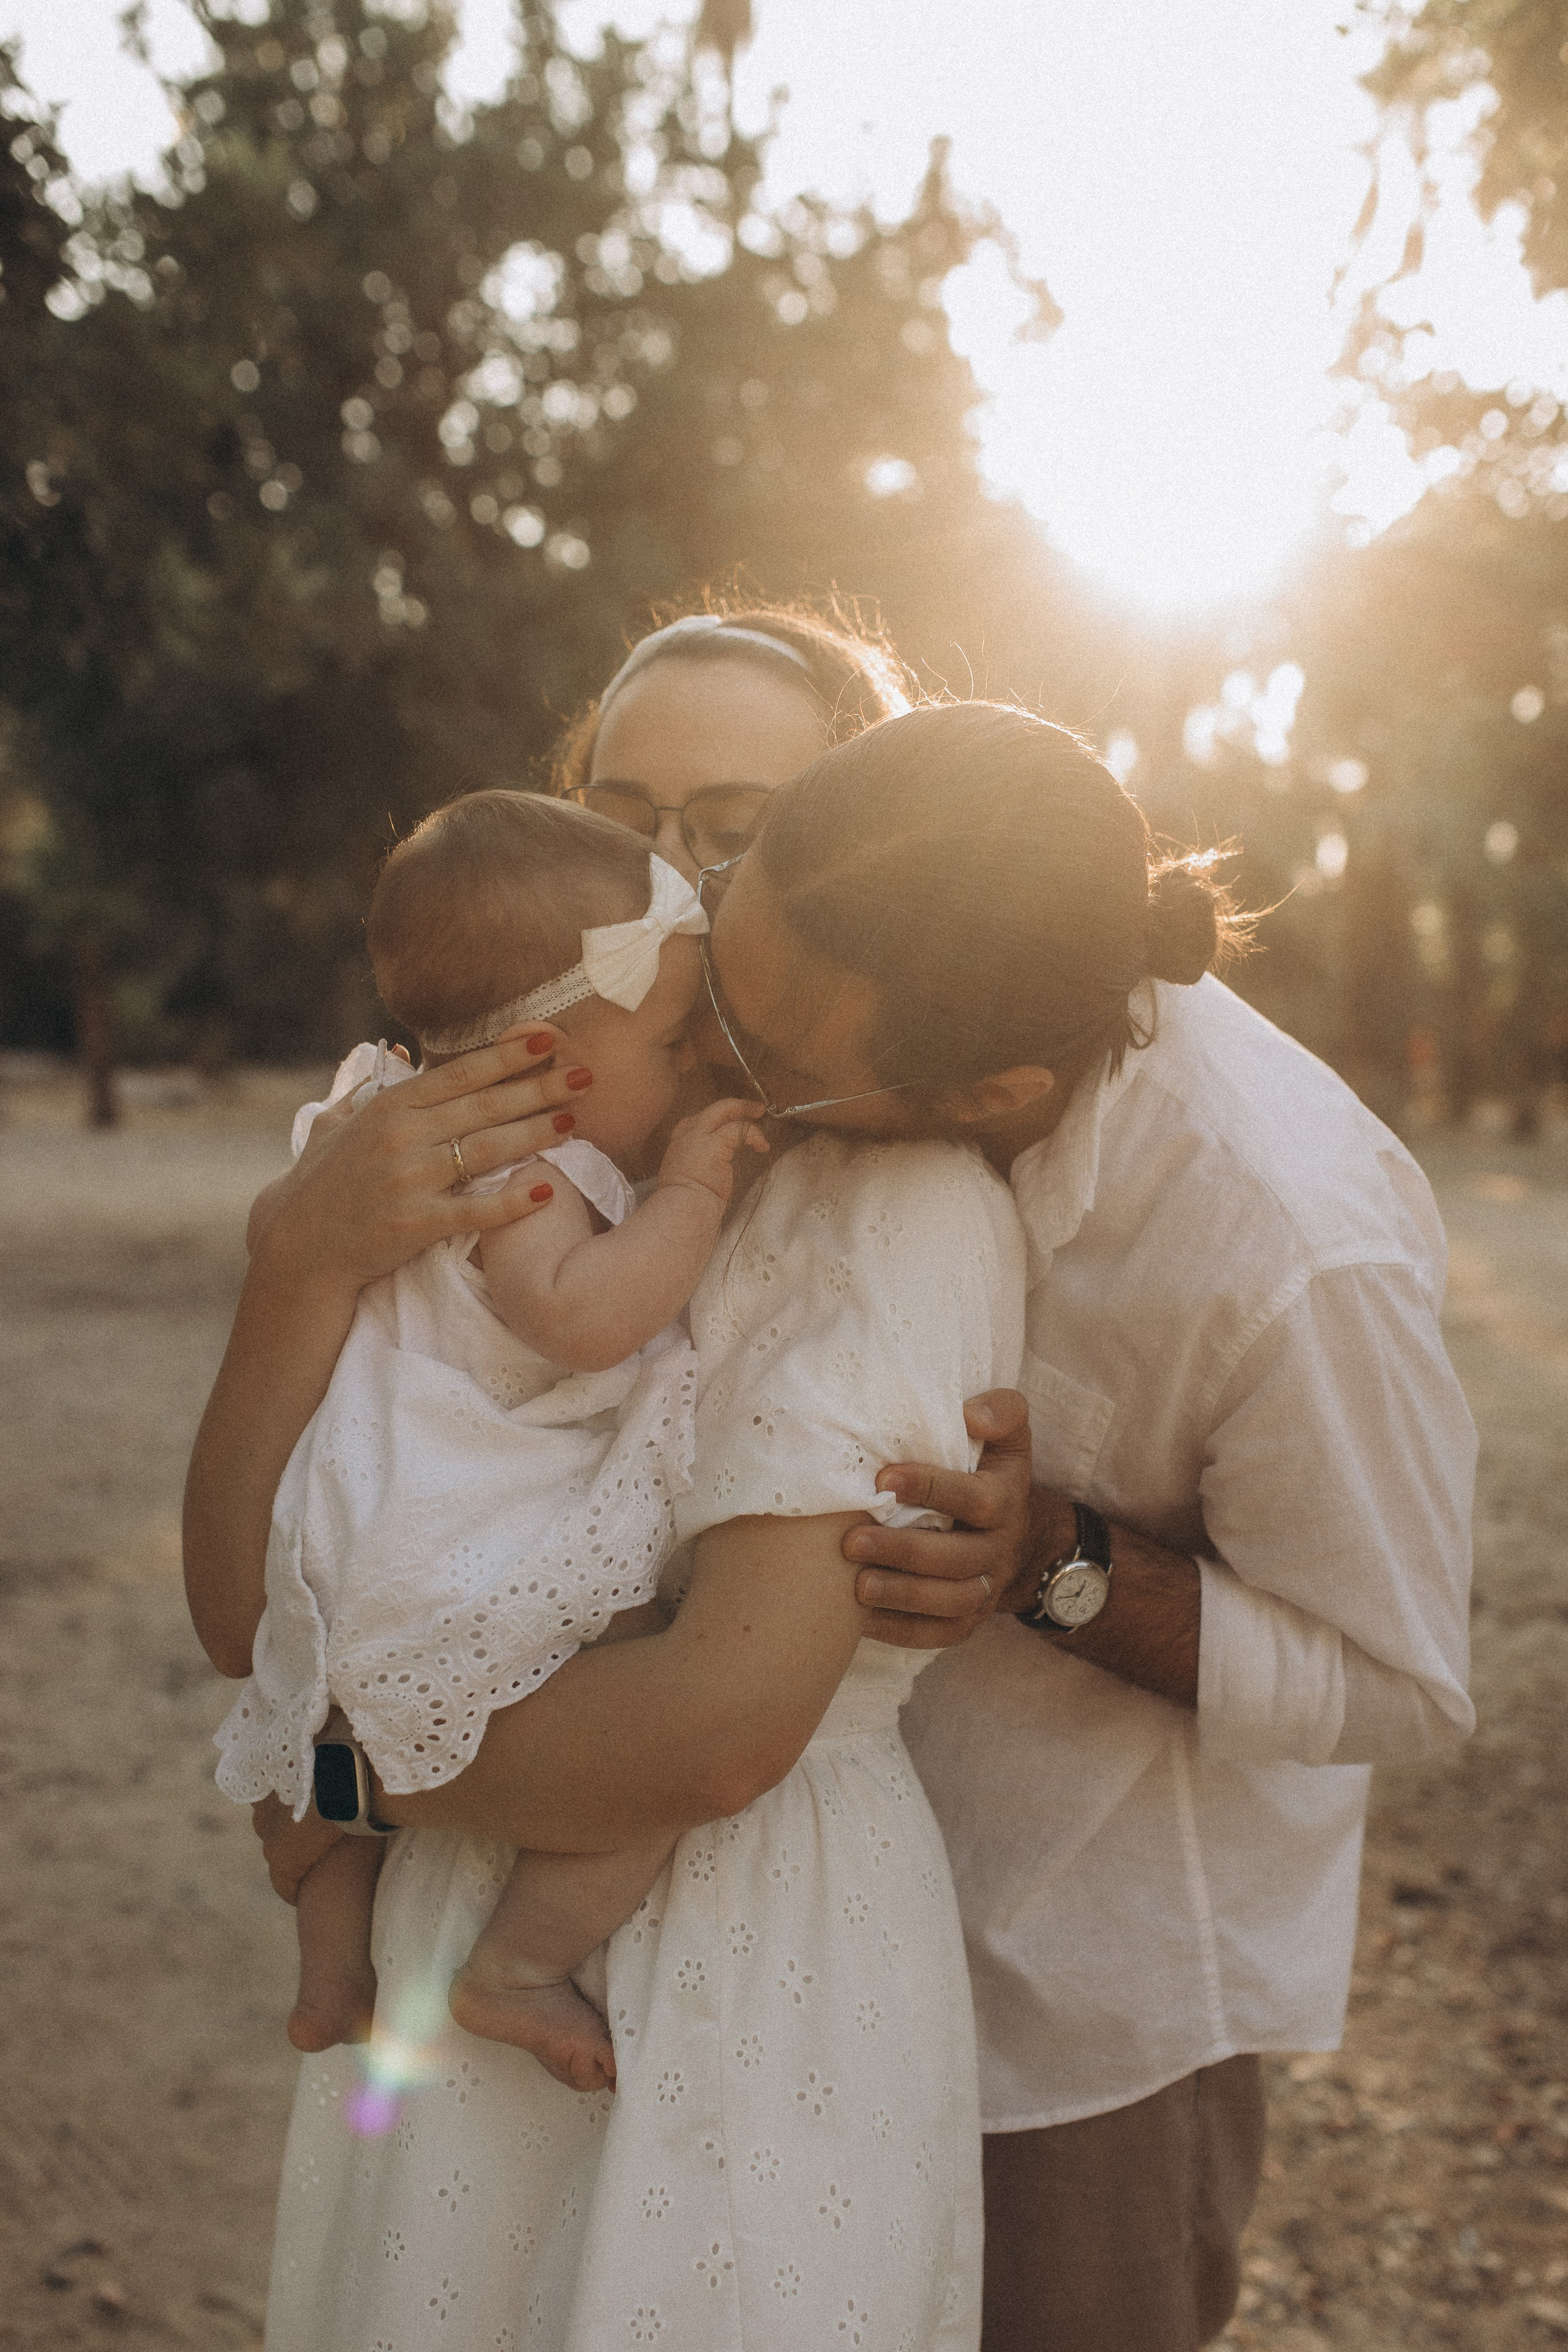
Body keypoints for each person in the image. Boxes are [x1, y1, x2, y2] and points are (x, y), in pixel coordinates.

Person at [190, 616, 1475, 2352]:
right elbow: (325, 1538)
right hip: (623, 1899)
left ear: (972, 1085)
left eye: (728, 831)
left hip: (1061, 1968)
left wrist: (1056, 1562)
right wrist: (307, 1262)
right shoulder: (647, 1127)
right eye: (633, 821)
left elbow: (1400, 1680)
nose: (693, 943)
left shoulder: (1282, 1240)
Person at [214, 791, 768, 2086]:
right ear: (544, 1056)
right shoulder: (539, 1162)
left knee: (350, 1771)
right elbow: (576, 1319)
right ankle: (518, 1963)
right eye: (673, 1036)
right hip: (454, 1516)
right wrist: (683, 1196)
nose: (690, 1059)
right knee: (635, 1740)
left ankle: (330, 1955)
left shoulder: (381, 1109)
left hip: (353, 1505)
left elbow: (273, 1227)